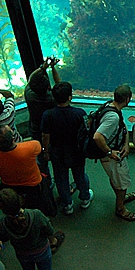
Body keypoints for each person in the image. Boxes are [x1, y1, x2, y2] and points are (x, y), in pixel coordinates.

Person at [0, 189, 67, 270]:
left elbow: (2, 236)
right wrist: (53, 241)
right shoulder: (36, 214)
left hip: (22, 254)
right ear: (19, 200)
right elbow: (49, 230)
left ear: (2, 208)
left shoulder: (3, 222)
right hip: (42, 251)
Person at [41, 81, 93, 215]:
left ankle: (67, 204)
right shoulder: (79, 113)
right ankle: (85, 198)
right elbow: (86, 131)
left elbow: (45, 135)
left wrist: (46, 151)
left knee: (60, 177)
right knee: (80, 175)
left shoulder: (48, 114)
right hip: (76, 150)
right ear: (70, 97)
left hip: (57, 151)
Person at [92, 84, 135, 221]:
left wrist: (126, 144)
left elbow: (122, 128)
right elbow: (97, 136)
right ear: (127, 99)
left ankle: (121, 198)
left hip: (116, 151)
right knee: (121, 182)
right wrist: (109, 152)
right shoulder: (113, 117)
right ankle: (120, 208)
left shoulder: (110, 106)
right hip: (113, 157)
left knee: (116, 179)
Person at [0, 125, 56, 217]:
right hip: (33, 185)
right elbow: (38, 146)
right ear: (13, 138)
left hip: (10, 185)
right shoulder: (29, 148)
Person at [24, 57, 61, 144]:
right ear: (48, 87)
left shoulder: (29, 94)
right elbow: (59, 84)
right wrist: (52, 67)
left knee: (39, 143)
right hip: (53, 127)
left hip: (36, 127)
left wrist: (42, 68)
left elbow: (31, 78)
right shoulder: (52, 99)